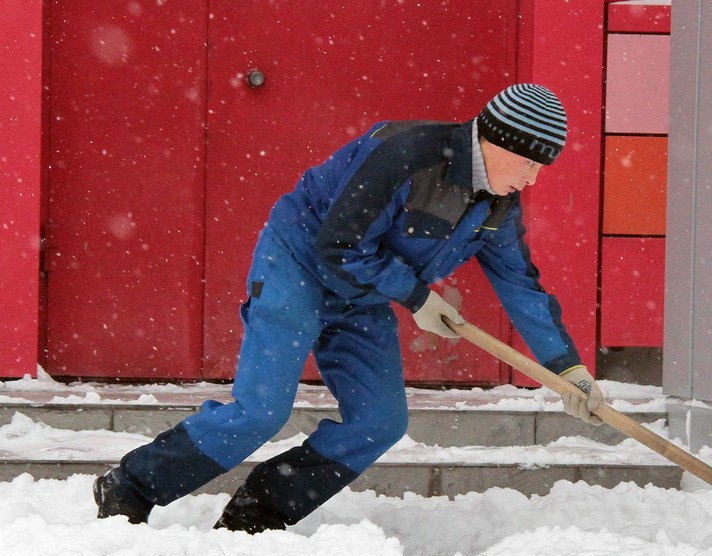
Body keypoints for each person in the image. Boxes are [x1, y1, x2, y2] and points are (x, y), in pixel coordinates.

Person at [93, 83, 604, 533]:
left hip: (362, 294)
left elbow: (522, 285)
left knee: (380, 422)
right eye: (531, 163)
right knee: (261, 412)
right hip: (299, 264)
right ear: (498, 141)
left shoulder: (496, 204)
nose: (534, 179)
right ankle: (132, 486)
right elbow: (340, 244)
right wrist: (418, 297)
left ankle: (259, 512)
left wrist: (568, 371)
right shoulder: (408, 154)